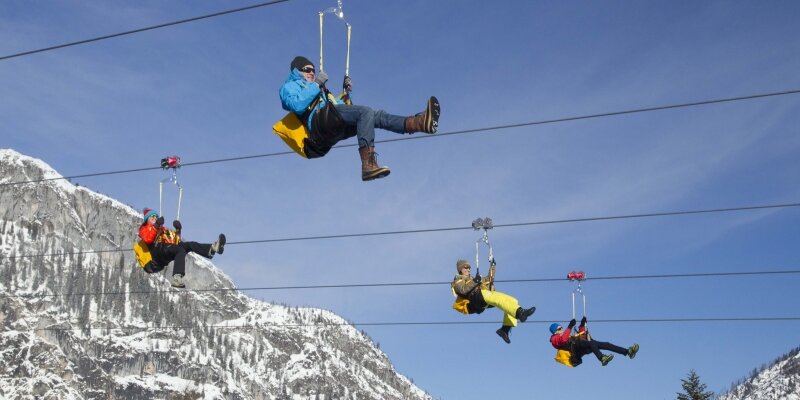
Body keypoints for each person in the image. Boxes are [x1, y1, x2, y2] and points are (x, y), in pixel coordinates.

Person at [279, 56, 441, 181]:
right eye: (308, 69)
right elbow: (297, 105)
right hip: (318, 124)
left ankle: (419, 123)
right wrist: (317, 85)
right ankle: (368, 164)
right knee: (365, 112)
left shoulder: (319, 89)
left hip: (330, 121)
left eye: (314, 70)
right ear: (297, 71)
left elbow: (343, 108)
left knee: (372, 116)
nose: (312, 73)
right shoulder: (290, 87)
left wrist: (346, 93)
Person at [451, 259, 536, 344]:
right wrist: (475, 281)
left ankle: (505, 329)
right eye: (465, 268)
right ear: (460, 269)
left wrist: (493, 266)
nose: (468, 269)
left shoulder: (474, 278)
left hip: (482, 297)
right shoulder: (457, 280)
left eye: (469, 268)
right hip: (475, 299)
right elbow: (462, 290)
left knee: (511, 301)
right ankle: (520, 313)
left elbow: (489, 279)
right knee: (491, 296)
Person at [138, 208, 226, 288]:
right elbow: (147, 239)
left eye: (156, 216)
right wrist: (156, 226)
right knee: (179, 250)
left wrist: (178, 230)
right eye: (152, 216)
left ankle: (212, 249)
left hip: (163, 254)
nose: (154, 217)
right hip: (154, 256)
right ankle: (177, 278)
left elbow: (176, 243)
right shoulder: (144, 228)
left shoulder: (163, 230)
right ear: (147, 219)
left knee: (188, 245)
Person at [549, 317, 639, 366]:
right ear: (555, 331)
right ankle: (602, 358)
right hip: (575, 350)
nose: (562, 329)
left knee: (605, 344)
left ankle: (627, 352)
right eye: (560, 328)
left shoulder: (566, 335)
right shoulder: (554, 339)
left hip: (580, 345)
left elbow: (581, 336)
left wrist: (582, 325)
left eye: (561, 328)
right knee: (591, 343)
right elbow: (563, 340)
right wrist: (569, 327)